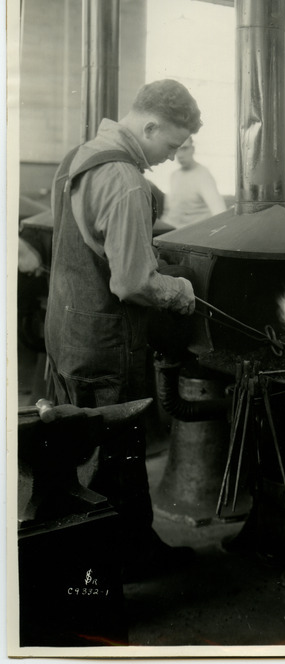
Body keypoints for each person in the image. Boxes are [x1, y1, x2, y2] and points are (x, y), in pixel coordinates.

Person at [44, 79, 202, 580]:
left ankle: (115, 550)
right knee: (117, 454)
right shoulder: (126, 177)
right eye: (170, 144)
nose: (168, 156)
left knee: (80, 450)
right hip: (109, 340)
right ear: (149, 124)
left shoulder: (80, 155)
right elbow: (133, 281)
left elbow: (90, 236)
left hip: (68, 327)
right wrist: (178, 290)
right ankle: (122, 562)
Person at [162, 136, 226, 228]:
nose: (180, 155)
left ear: (193, 149)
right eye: (177, 149)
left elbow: (220, 213)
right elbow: (169, 212)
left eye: (184, 148)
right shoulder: (174, 175)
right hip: (169, 232)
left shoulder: (203, 175)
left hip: (190, 235)